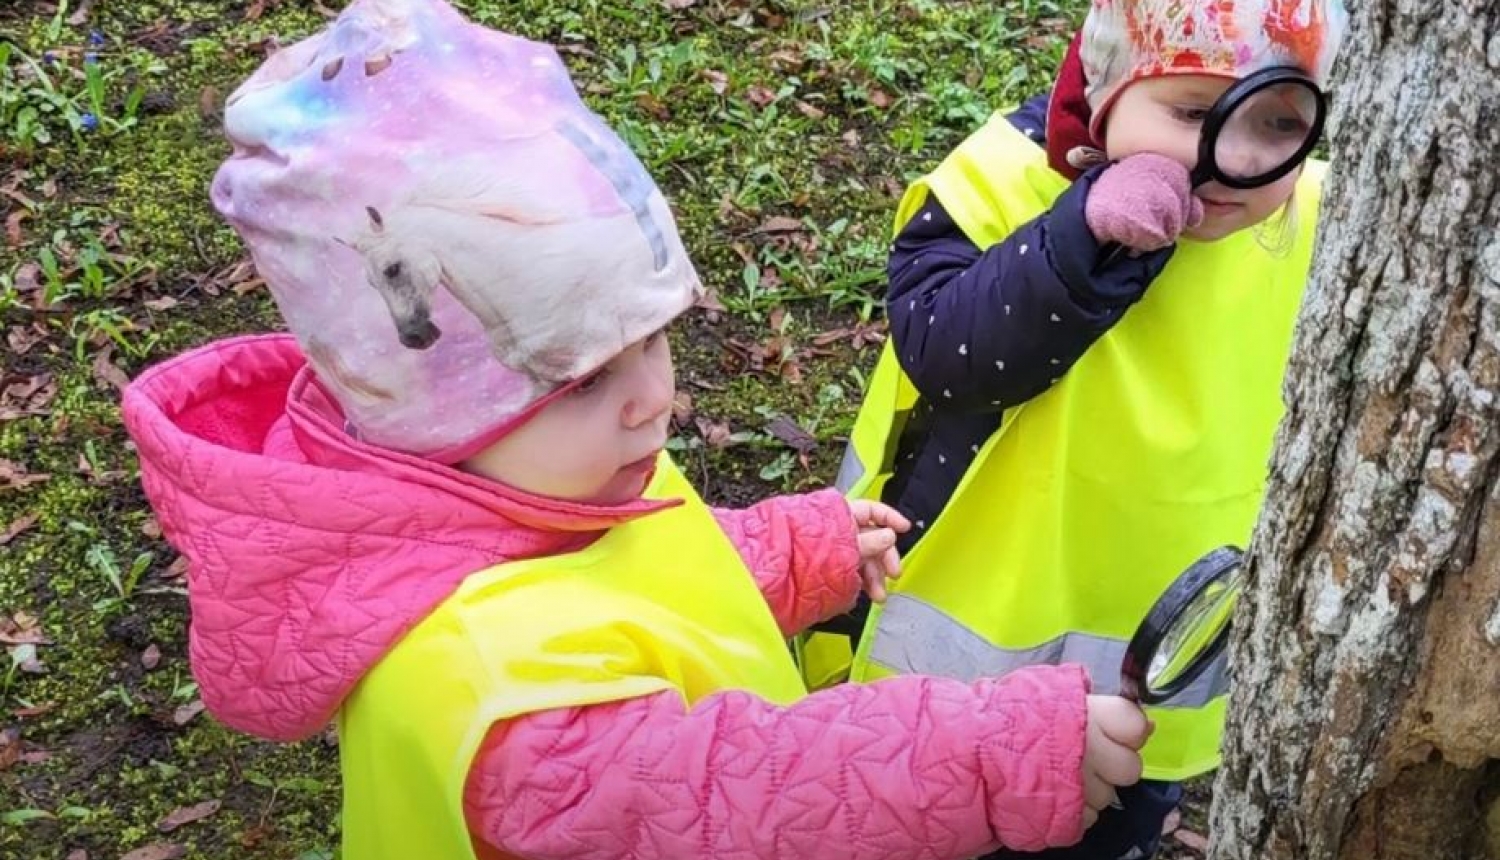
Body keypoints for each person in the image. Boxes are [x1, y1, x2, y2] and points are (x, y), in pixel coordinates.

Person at [121, 1, 1153, 858]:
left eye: (652, 339)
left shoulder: (524, 482)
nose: (649, 398)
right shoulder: (504, 708)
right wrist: (994, 750)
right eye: (581, 380)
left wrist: (799, 549)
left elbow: (636, 580)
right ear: (433, 412)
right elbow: (738, 797)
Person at [800, 2, 1348, 858]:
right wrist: (1082, 236)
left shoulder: (1317, 218)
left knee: (1109, 818)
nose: (1234, 160)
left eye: (1277, 121)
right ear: (1105, 87)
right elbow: (946, 349)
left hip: (1149, 653)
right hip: (957, 654)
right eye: (1194, 114)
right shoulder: (1004, 181)